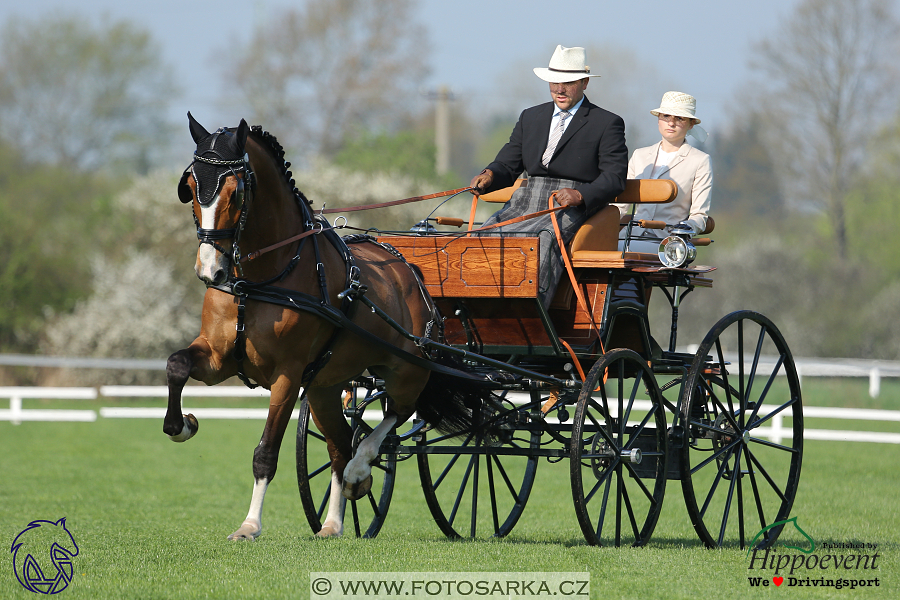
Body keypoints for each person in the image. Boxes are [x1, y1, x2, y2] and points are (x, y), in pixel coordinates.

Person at [469, 45, 627, 307]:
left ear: (585, 82)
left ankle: (531, 313)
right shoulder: (531, 117)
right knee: (483, 233)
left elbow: (614, 177)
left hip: (571, 205)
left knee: (542, 240)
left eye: (568, 82)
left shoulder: (607, 123)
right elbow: (508, 164)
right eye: (554, 82)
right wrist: (489, 176)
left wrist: (580, 195)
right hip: (525, 200)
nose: (559, 89)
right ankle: (477, 308)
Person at [614, 91, 712, 253]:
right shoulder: (640, 155)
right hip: (630, 236)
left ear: (691, 124)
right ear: (658, 119)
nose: (671, 123)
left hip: (667, 242)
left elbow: (700, 215)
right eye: (666, 116)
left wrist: (684, 228)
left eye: (679, 118)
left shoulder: (699, 160)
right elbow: (621, 205)